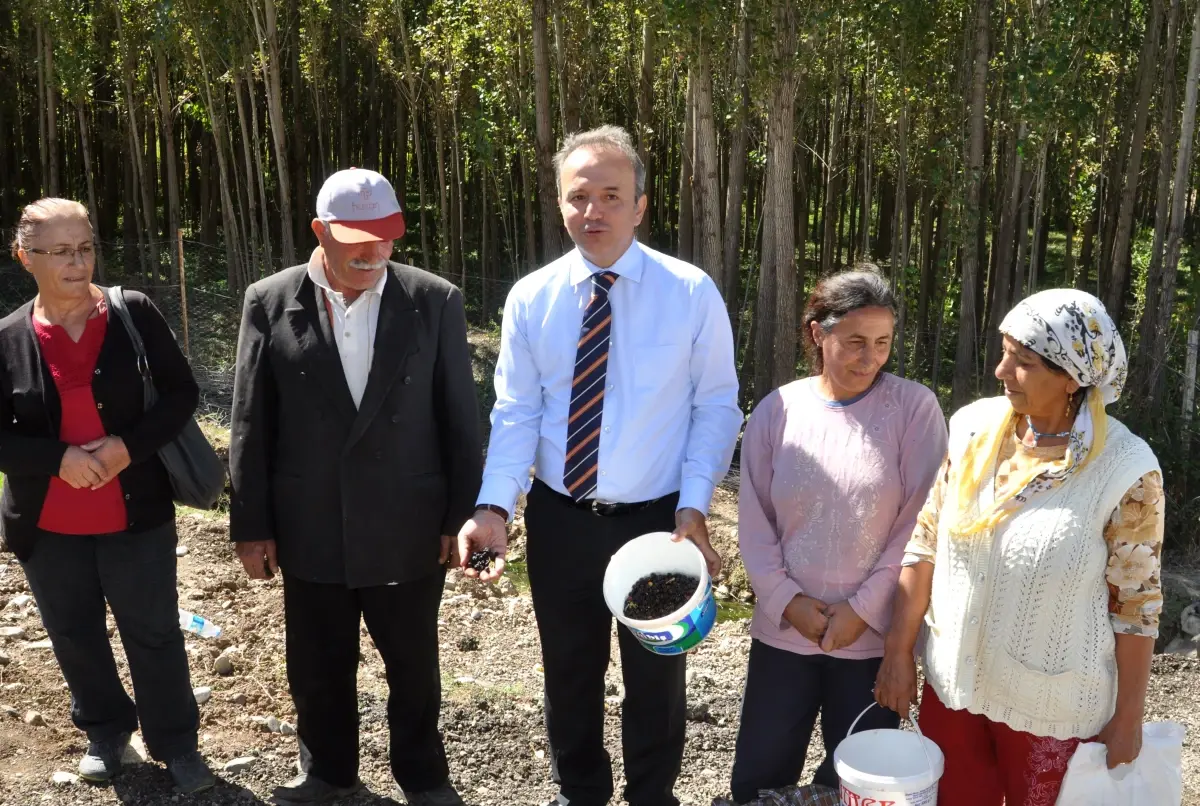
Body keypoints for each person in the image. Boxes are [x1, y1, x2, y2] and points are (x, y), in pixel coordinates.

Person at [457, 125, 742, 806]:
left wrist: (695, 504)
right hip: (562, 520)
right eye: (578, 196)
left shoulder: (691, 292)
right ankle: (578, 793)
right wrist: (494, 508)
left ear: (640, 206)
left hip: (659, 524)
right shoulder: (533, 297)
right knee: (569, 674)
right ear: (560, 204)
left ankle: (652, 796)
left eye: (611, 196)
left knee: (656, 680)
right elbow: (517, 412)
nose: (594, 211)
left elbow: (718, 406)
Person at [229, 168, 481, 806]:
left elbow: (460, 419)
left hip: (409, 520)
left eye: (386, 238)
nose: (373, 253)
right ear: (320, 232)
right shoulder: (269, 299)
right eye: (356, 240)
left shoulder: (434, 300)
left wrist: (461, 516)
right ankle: (328, 773)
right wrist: (251, 524)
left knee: (414, 667)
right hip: (310, 518)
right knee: (317, 664)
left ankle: (424, 777)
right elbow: (250, 422)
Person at [875, 289, 1164, 805]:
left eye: (1022, 361)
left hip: (1051, 710)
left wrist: (1128, 719)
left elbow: (1135, 607)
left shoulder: (1125, 470)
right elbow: (925, 542)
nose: (1000, 370)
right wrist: (898, 649)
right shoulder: (972, 430)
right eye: (1005, 351)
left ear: (1073, 377)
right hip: (953, 692)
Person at [0, 198, 214, 792]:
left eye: (85, 248)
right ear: (25, 258)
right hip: (47, 526)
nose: (77, 262)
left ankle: (176, 744)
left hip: (135, 515)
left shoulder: (131, 314)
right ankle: (105, 731)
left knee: (153, 632)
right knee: (73, 633)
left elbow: (180, 394)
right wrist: (57, 459)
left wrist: (126, 447)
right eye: (61, 251)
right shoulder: (9, 337)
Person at [729, 268, 947, 803]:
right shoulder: (777, 411)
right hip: (784, 632)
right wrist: (786, 601)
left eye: (882, 343)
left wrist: (864, 609)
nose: (869, 358)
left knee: (861, 785)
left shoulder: (914, 410)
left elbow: (920, 524)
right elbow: (755, 523)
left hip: (873, 641)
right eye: (854, 343)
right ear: (816, 334)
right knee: (759, 778)